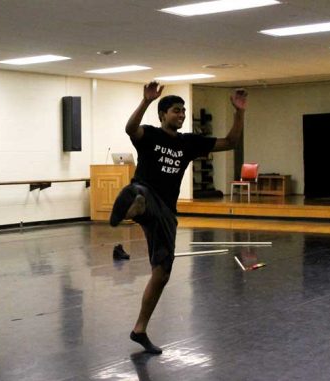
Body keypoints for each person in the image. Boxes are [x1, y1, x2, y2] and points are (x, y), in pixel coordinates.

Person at [110, 81, 247, 354]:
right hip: (147, 192)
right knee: (139, 192)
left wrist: (239, 112)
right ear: (162, 115)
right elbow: (130, 129)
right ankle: (134, 207)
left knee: (161, 274)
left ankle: (139, 330)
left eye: (183, 111)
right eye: (176, 110)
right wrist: (146, 100)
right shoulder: (149, 135)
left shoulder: (189, 143)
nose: (182, 115)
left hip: (167, 212)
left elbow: (230, 142)